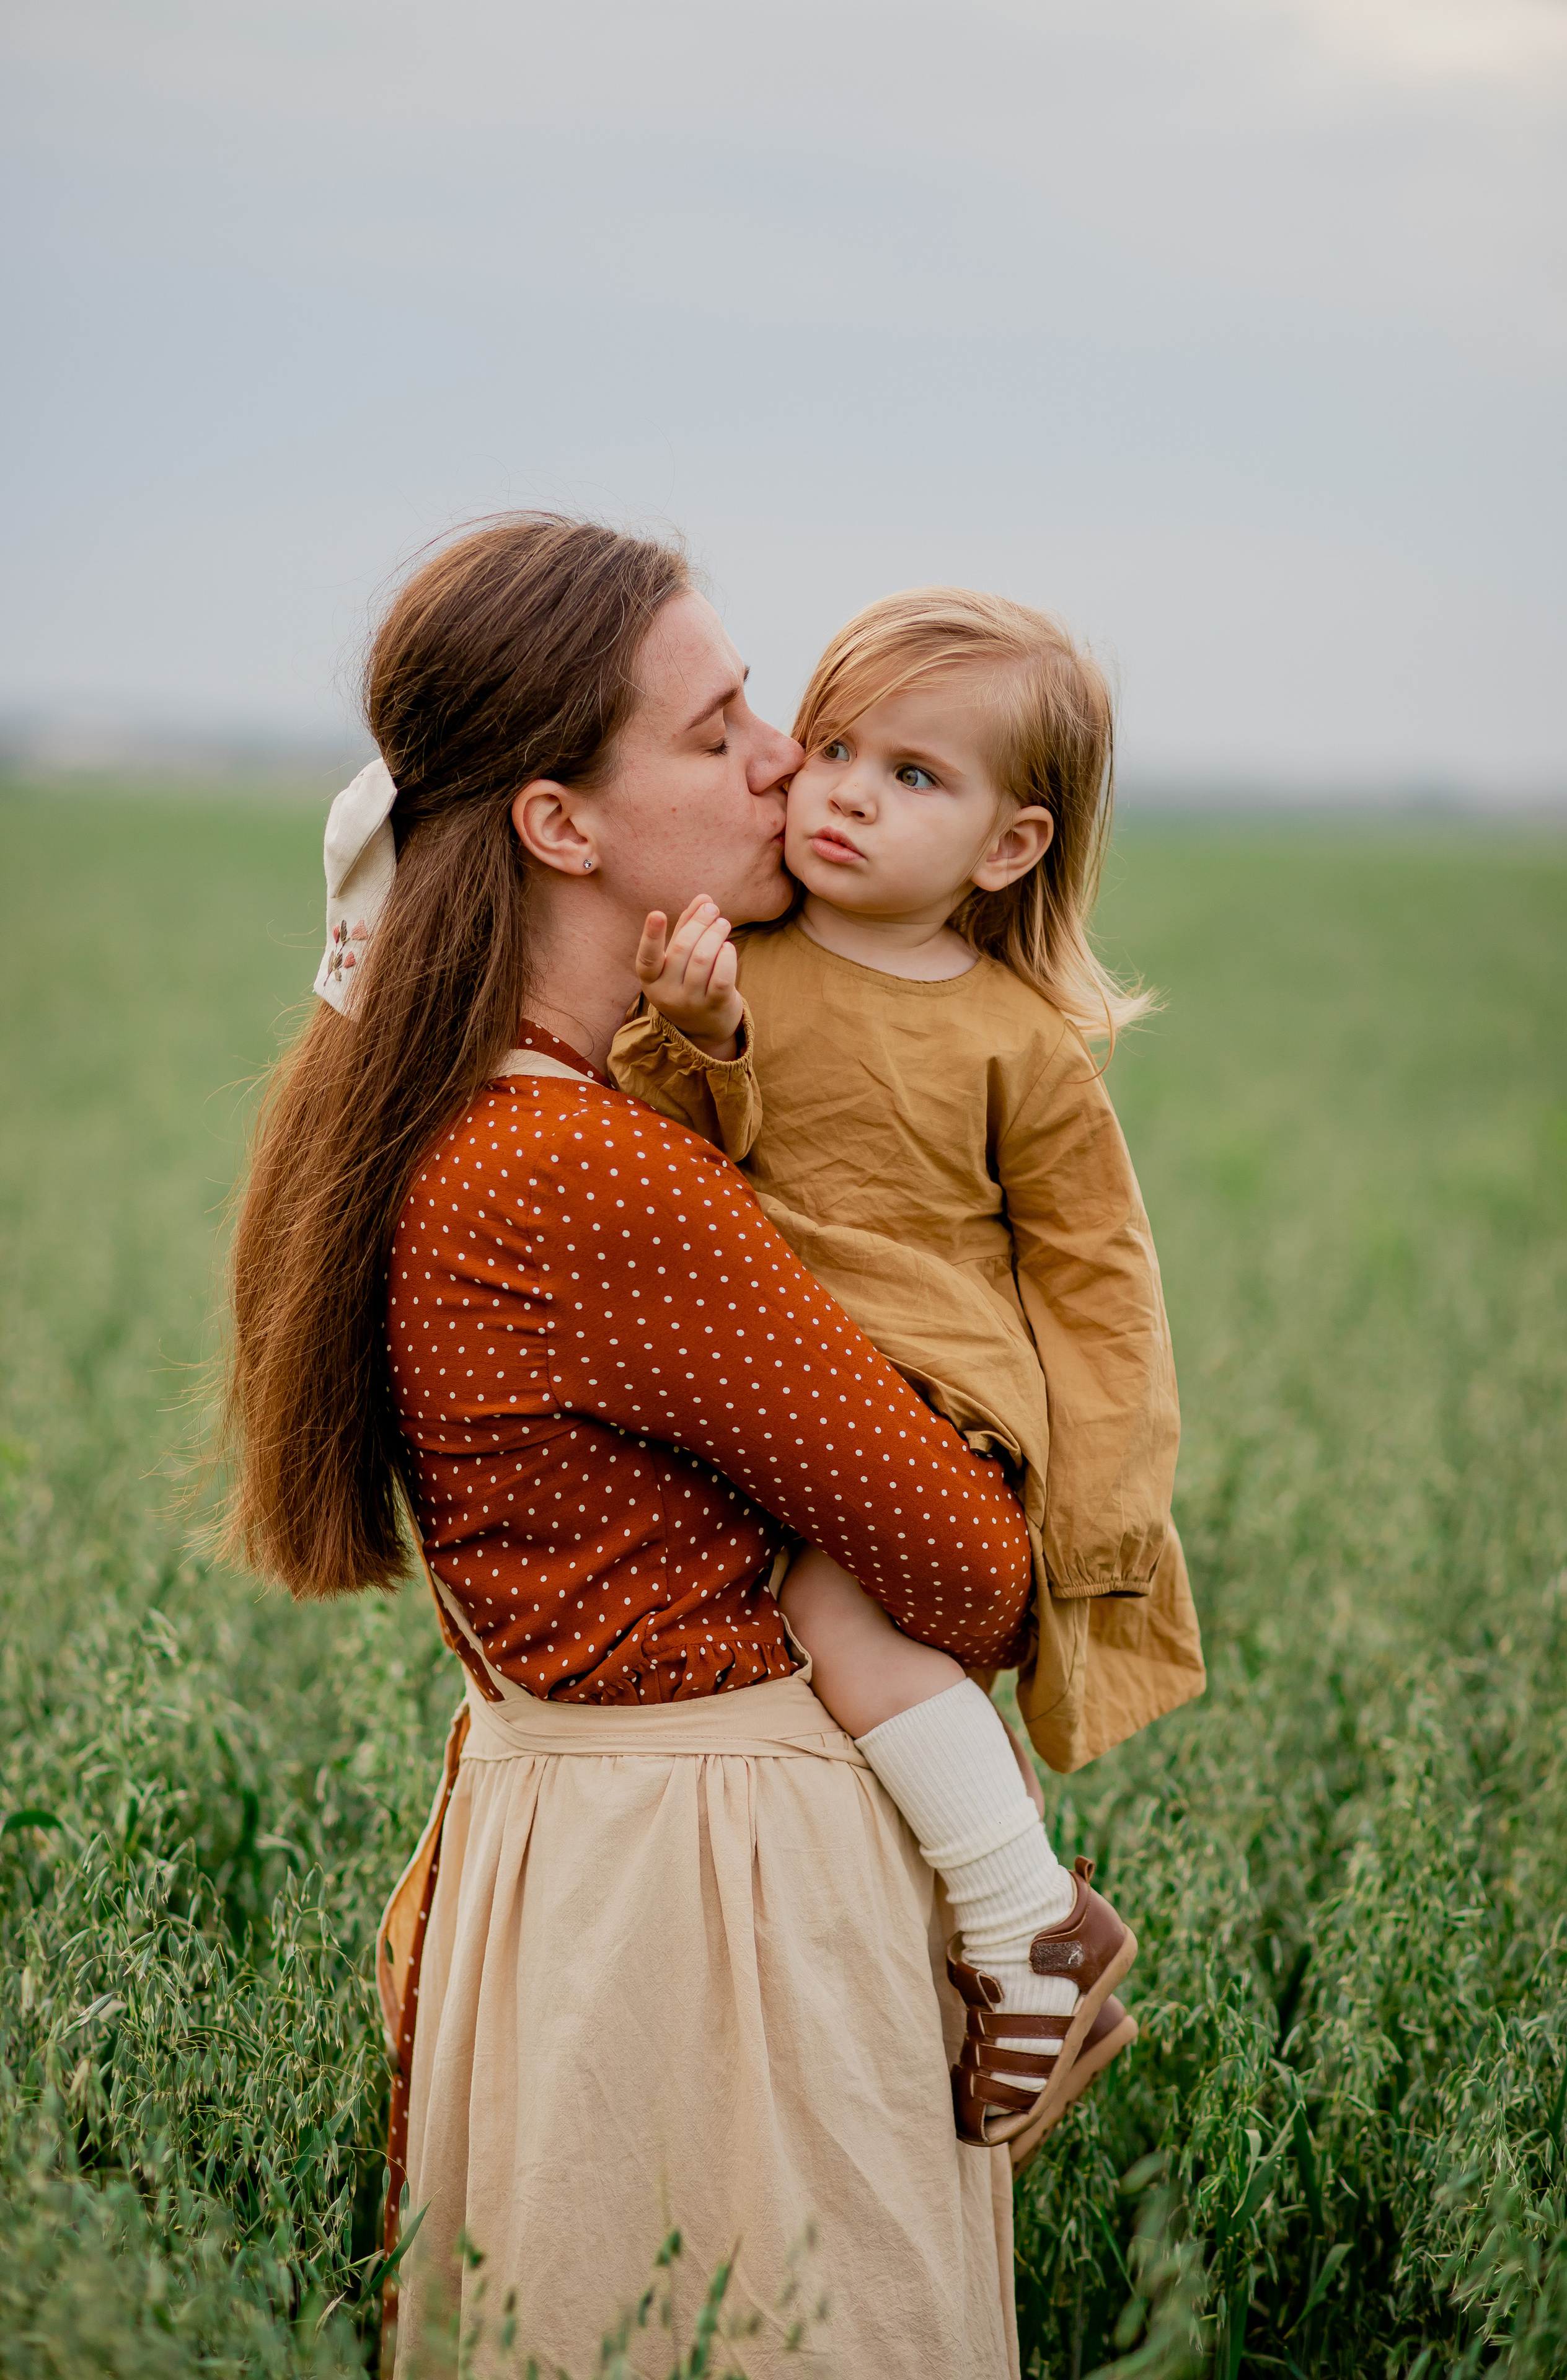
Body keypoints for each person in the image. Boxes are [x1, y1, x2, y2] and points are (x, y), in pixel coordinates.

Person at [220, 518, 1131, 2380]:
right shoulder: (588, 1169)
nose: (790, 761)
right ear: (565, 824)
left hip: (601, 1880)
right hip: (721, 1933)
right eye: (722, 733)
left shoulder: (496, 1118)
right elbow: (964, 1565)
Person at [609, 586, 1204, 2146]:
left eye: (916, 777)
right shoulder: (735, 960)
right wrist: (691, 1034)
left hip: (933, 1395)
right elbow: (670, 1163)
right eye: (838, 748)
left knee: (836, 1615)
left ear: (1008, 847)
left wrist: (1101, 1514)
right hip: (778, 1382)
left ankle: (1028, 1925)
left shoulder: (1019, 1045)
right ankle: (933, 1947)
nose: (848, 794)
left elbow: (1098, 1289)